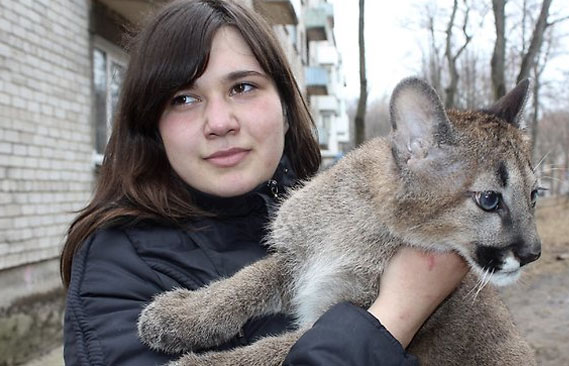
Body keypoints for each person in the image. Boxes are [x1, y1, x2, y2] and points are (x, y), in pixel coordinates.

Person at [60, 0, 469, 365]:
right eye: (184, 98)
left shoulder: (338, 218)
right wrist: (395, 315)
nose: (219, 123)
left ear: (287, 109)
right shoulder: (115, 264)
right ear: (152, 125)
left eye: (242, 87)